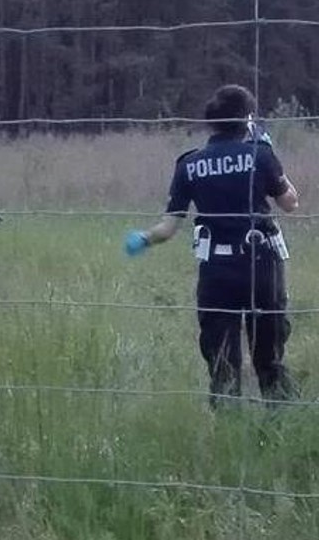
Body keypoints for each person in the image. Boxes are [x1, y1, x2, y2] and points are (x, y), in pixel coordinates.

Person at [124, 84, 300, 408]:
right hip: (262, 265)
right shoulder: (260, 154)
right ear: (247, 119)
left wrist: (143, 239)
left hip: (217, 272)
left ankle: (229, 428)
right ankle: (280, 423)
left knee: (222, 364)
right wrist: (276, 163)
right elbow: (290, 203)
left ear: (211, 122)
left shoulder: (189, 164)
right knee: (270, 358)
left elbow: (167, 228)